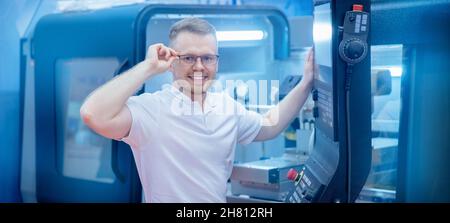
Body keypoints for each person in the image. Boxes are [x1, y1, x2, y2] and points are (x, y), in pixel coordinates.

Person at [80, 17, 314, 202]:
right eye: (189, 58)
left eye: (208, 58)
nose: (199, 67)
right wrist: (148, 67)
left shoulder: (226, 108)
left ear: (217, 61)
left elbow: (269, 126)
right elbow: (93, 114)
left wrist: (305, 84)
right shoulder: (151, 109)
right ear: (172, 62)